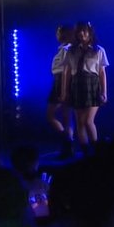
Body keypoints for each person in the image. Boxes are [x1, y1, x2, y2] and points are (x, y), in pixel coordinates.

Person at [61, 21, 110, 152]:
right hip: (77, 84)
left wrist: (104, 92)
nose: (81, 33)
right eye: (79, 31)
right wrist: (64, 91)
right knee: (80, 122)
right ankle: (86, 152)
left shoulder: (98, 50)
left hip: (92, 85)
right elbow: (67, 72)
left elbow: (102, 72)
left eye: (84, 30)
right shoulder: (71, 50)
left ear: (89, 32)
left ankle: (97, 149)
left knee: (88, 121)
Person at [47, 24, 75, 158]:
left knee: (51, 116)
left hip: (61, 82)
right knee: (66, 117)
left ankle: (67, 142)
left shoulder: (67, 49)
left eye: (59, 32)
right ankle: (68, 146)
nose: (57, 35)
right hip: (61, 81)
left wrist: (64, 90)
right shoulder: (63, 48)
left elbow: (66, 70)